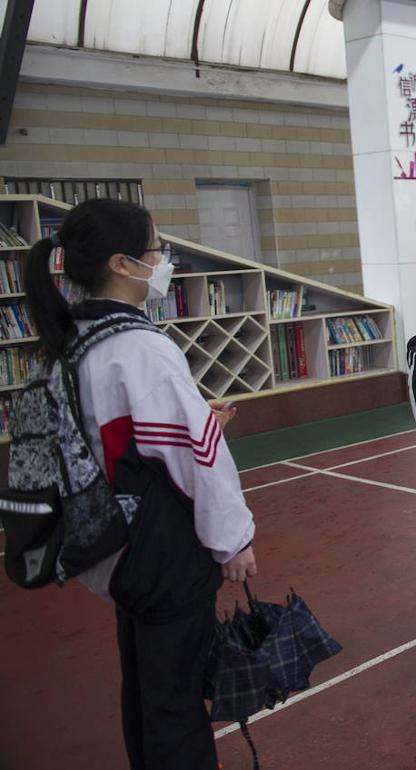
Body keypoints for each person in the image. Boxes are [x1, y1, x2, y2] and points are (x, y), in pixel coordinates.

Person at [22, 199, 257, 769]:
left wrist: (193, 419)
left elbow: (123, 438)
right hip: (163, 552)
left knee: (148, 692)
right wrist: (234, 540)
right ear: (123, 264)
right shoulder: (142, 348)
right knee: (178, 700)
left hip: (113, 544)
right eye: (157, 250)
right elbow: (196, 459)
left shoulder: (71, 342)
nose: (164, 261)